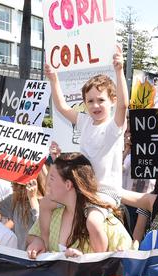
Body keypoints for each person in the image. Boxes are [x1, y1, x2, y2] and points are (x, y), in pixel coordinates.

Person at [43, 45, 128, 201]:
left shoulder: (114, 126)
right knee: (47, 204)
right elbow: (62, 107)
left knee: (92, 220)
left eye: (101, 100)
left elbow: (123, 106)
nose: (95, 105)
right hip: (83, 189)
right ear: (84, 103)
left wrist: (119, 70)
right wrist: (54, 79)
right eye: (90, 101)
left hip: (106, 194)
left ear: (113, 100)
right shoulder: (85, 121)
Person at [26, 153, 133, 258]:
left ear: (68, 185)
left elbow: (129, 264)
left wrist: (83, 263)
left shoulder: (106, 224)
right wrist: (37, 241)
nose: (48, 184)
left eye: (52, 179)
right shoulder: (53, 214)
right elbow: (32, 235)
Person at [0, 176, 45, 250]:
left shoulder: (45, 202)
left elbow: (41, 228)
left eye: (18, 184)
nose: (13, 187)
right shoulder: (14, 199)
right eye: (13, 183)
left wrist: (32, 198)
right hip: (19, 255)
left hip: (37, 255)